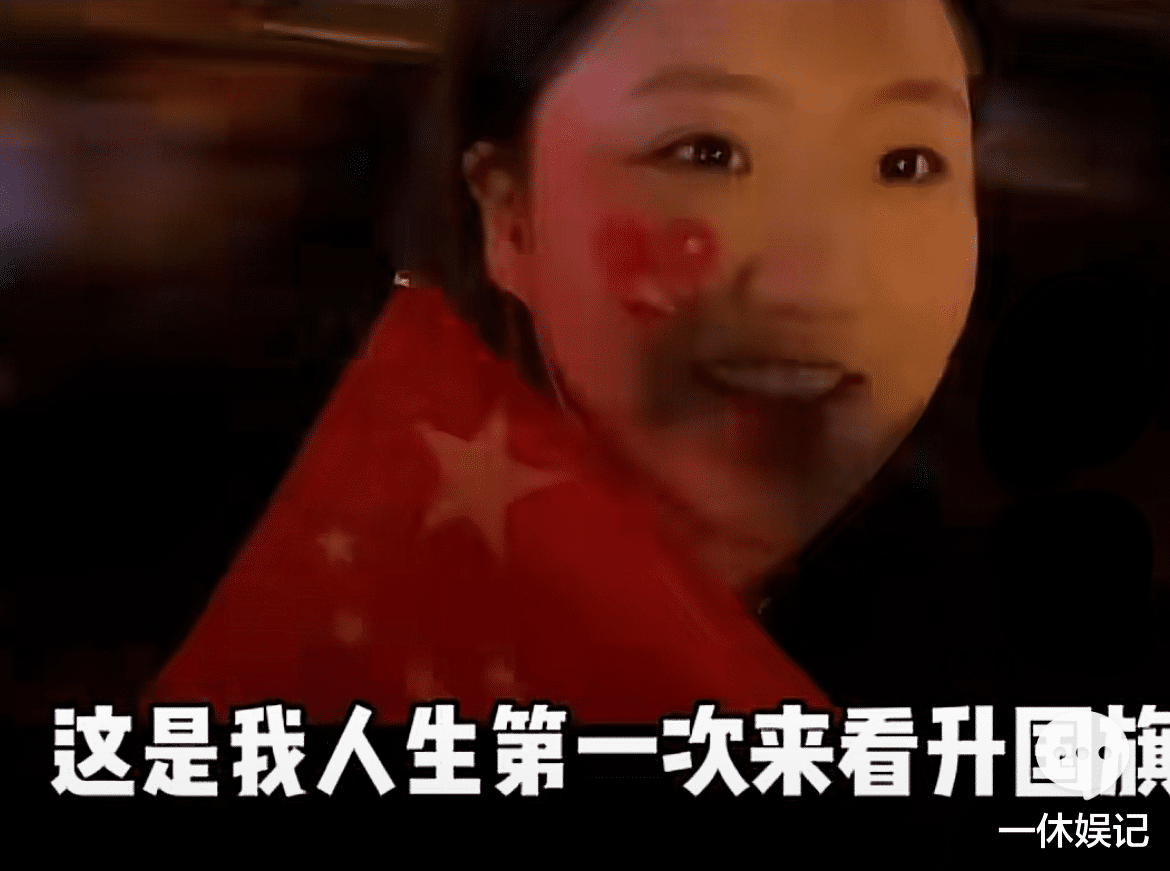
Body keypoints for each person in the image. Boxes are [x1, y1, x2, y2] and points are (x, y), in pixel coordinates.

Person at [149, 0, 983, 725]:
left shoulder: (975, 625)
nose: (812, 286)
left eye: (906, 164)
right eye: (707, 152)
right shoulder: (298, 576)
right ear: (507, 211)